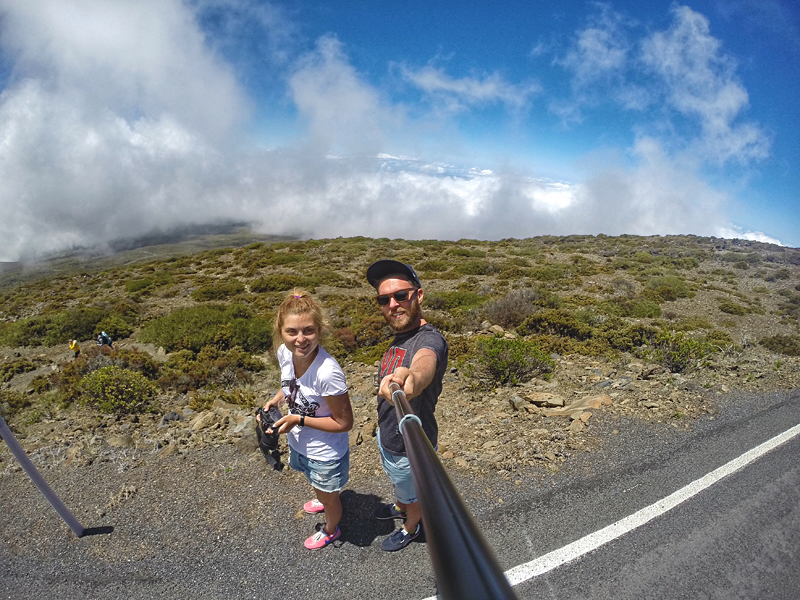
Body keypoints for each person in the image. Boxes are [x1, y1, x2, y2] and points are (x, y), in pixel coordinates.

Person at [259, 290, 354, 550]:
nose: (300, 340)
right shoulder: (285, 353)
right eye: (292, 332)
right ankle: (323, 497)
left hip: (324, 451)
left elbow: (344, 423)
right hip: (301, 443)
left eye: (308, 331)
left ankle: (331, 528)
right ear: (281, 332)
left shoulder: (328, 373)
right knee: (315, 483)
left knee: (329, 494)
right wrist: (277, 399)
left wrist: (299, 420)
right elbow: (291, 384)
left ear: (320, 331)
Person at [367, 260, 448, 552]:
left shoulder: (428, 339)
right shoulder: (402, 337)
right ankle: (403, 503)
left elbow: (424, 364)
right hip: (390, 438)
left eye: (401, 295)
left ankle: (411, 525)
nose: (393, 304)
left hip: (410, 447)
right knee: (404, 488)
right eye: (384, 299)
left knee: (413, 492)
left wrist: (411, 379)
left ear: (419, 295)